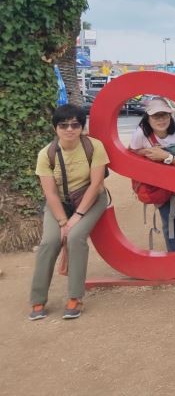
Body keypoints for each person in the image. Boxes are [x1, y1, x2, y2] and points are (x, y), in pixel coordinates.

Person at [29, 104, 110, 320]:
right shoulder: (46, 154)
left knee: (75, 237)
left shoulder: (94, 146)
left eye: (75, 124)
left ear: (82, 127)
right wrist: (63, 221)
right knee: (49, 242)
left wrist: (77, 217)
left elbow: (96, 184)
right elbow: (50, 194)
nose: (69, 129)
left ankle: (75, 297)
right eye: (63, 125)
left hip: (91, 200)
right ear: (55, 128)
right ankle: (38, 299)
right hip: (60, 204)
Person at [129, 97, 175, 252]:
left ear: (170, 115)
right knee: (168, 221)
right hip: (161, 186)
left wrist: (166, 156)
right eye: (156, 116)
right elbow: (132, 152)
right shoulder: (140, 134)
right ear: (148, 118)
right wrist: (147, 152)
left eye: (165, 115)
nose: (161, 120)